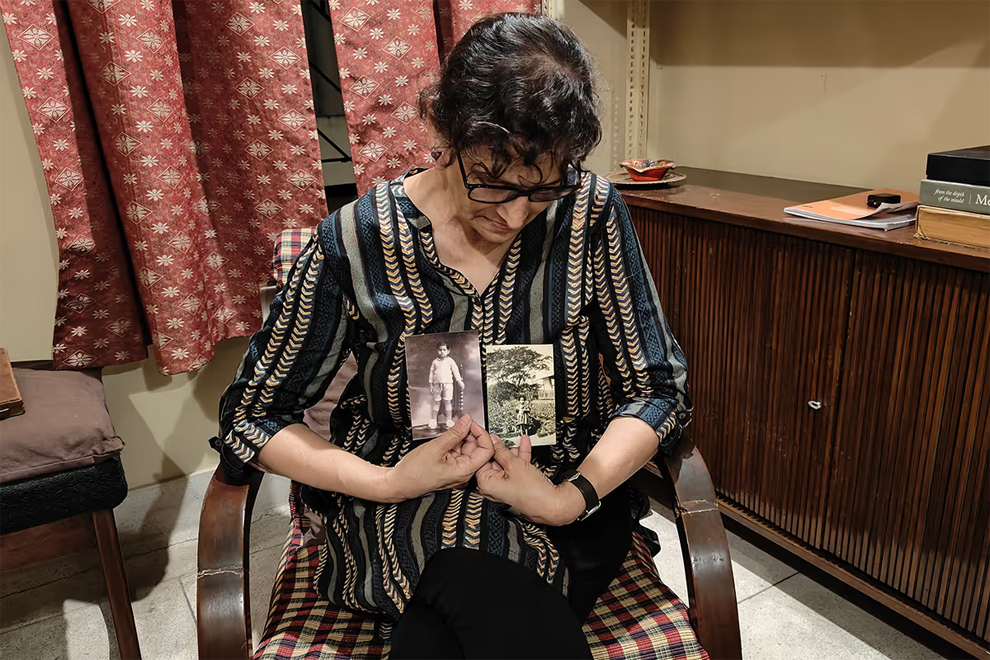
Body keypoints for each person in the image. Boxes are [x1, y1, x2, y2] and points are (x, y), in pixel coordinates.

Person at [214, 12, 691, 659]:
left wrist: (563, 497)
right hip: (403, 508)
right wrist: (389, 483)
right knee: (472, 576)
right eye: (493, 181)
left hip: (556, 500)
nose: (516, 216)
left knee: (454, 617)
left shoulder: (592, 214)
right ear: (442, 127)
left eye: (545, 187)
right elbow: (254, 413)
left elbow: (658, 387)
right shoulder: (357, 241)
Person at [428, 342, 464, 430]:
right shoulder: (435, 362)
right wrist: (430, 383)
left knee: (448, 402)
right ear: (437, 351)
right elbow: (431, 373)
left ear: (448, 351)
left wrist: (459, 381)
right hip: (437, 384)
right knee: (436, 402)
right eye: (440, 350)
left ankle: (449, 420)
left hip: (448, 384)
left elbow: (455, 371)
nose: (442, 352)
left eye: (444, 350)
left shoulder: (450, 361)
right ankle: (433, 420)